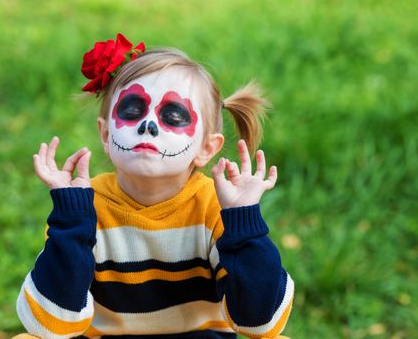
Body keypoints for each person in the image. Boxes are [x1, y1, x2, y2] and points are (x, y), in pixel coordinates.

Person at [15, 33, 294, 339]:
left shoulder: (216, 208)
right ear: (106, 135)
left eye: (173, 116)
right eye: (132, 109)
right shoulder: (84, 208)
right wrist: (71, 222)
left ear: (207, 148)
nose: (147, 125)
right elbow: (49, 324)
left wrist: (244, 223)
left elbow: (261, 323)